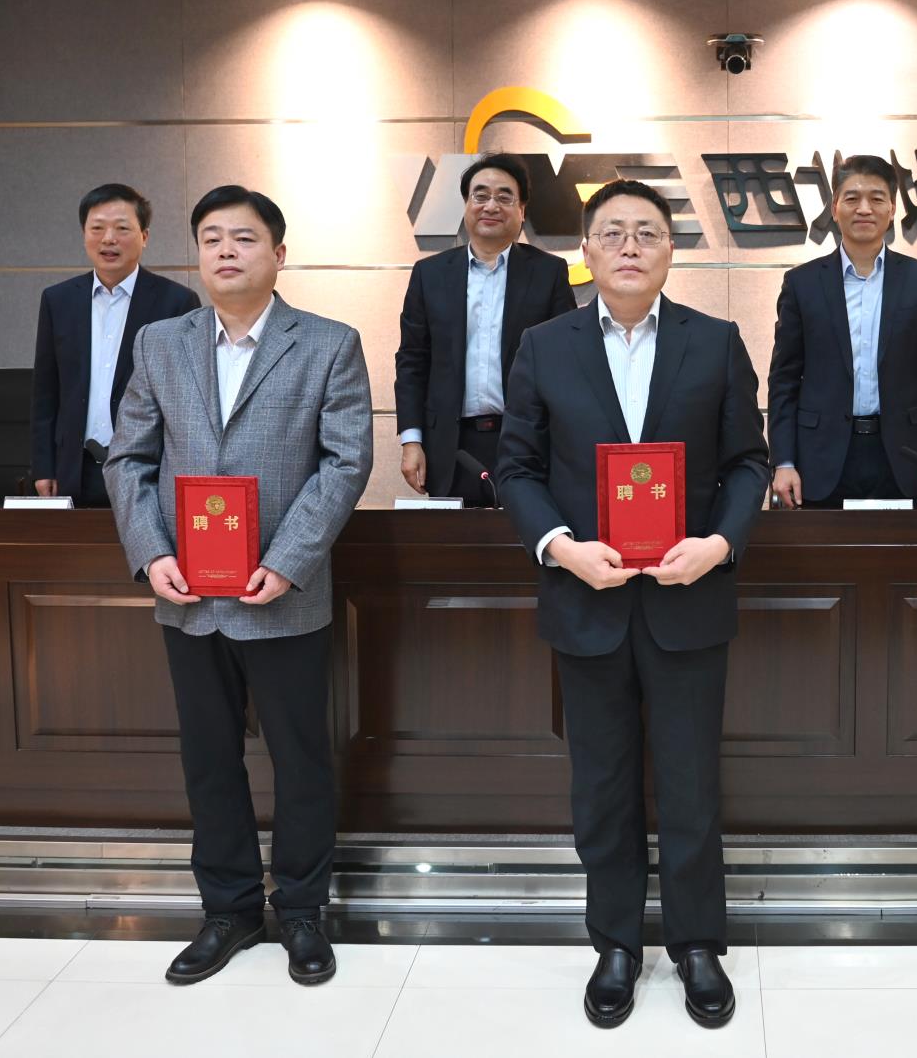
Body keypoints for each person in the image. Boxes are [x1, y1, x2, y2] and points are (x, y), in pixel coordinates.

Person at [495, 179, 769, 1031]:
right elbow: (516, 468)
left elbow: (749, 462)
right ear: (586, 250)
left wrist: (719, 542)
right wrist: (561, 546)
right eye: (611, 232)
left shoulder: (715, 342)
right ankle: (615, 941)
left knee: (690, 784)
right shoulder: (545, 345)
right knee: (603, 786)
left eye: (646, 232)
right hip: (588, 599)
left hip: (690, 599)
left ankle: (697, 943)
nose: (628, 246)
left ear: (670, 250)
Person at [105, 184, 372, 989]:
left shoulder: (328, 343)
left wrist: (288, 559)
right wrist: (152, 551)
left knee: (300, 759)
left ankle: (303, 909)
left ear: (278, 254)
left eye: (245, 237)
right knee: (209, 759)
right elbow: (128, 456)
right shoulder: (160, 342)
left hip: (283, 594)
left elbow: (346, 461)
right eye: (212, 237)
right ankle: (227, 909)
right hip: (188, 597)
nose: (226, 250)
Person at [767, 155, 917, 507]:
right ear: (834, 207)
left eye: (876, 198)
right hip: (820, 457)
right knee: (819, 544)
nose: (864, 209)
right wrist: (784, 461)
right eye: (852, 198)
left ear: (892, 208)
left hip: (902, 456)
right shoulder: (801, 284)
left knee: (901, 543)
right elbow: (784, 380)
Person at [394, 153, 576, 503]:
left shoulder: (548, 273)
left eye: (505, 197)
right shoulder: (430, 275)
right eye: (480, 195)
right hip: (451, 444)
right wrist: (411, 441)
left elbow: (566, 364)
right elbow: (412, 361)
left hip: (528, 440)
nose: (491, 205)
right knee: (459, 539)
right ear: (466, 205)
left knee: (529, 534)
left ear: (522, 210)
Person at [29, 184, 200, 505]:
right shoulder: (58, 300)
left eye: (122, 228)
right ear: (84, 234)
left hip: (148, 468)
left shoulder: (177, 302)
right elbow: (46, 391)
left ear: (144, 236)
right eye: (97, 228)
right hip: (75, 466)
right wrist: (43, 465)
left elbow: (187, 399)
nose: (109, 239)